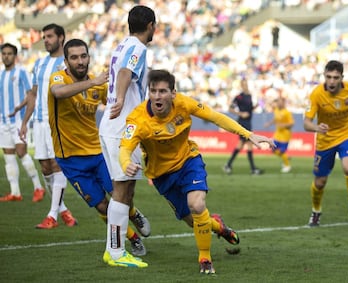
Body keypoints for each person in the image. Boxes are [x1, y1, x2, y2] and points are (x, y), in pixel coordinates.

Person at [119, 69, 275, 274]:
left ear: (173, 93)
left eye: (163, 91)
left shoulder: (184, 103)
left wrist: (248, 134)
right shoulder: (137, 119)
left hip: (188, 162)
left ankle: (205, 258)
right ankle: (219, 227)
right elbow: (125, 148)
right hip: (161, 176)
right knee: (193, 221)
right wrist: (125, 163)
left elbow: (216, 117)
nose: (157, 96)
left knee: (197, 204)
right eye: (153, 91)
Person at [47, 38, 148, 260]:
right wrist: (93, 83)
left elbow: (114, 98)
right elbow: (59, 93)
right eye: (74, 57)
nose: (80, 61)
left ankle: (133, 213)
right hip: (70, 159)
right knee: (102, 205)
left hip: (97, 153)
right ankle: (132, 238)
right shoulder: (59, 78)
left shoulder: (98, 84)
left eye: (84, 56)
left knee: (120, 194)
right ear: (66, 61)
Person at [99, 5, 153, 268]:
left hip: (114, 127)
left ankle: (114, 248)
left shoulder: (122, 45)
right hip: (122, 128)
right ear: (151, 25)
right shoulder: (139, 49)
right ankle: (116, 252)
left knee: (126, 189)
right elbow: (124, 73)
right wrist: (121, 99)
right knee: (122, 190)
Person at [19, 23, 77, 229]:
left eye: (50, 36)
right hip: (40, 122)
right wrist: (25, 122)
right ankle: (63, 210)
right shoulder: (40, 63)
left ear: (61, 38)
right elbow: (33, 95)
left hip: (59, 123)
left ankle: (52, 215)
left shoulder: (68, 63)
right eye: (44, 37)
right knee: (45, 168)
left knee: (57, 165)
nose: (46, 40)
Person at [304, 60, 348, 227]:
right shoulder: (316, 94)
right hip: (325, 139)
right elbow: (306, 123)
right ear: (324, 76)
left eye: (336, 77)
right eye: (329, 77)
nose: (332, 81)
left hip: (346, 134)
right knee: (320, 182)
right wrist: (316, 127)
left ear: (342, 77)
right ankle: (316, 211)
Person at [0, 43, 45, 202]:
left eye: (9, 53)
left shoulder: (21, 73)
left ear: (15, 56)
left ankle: (38, 187)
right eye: (4, 53)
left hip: (18, 120)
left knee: (21, 152)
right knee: (8, 156)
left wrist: (21, 111)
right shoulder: (0, 75)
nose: (6, 56)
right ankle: (15, 192)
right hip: (3, 121)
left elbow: (31, 95)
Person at [223, 78, 263, 175]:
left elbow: (249, 110)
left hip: (248, 122)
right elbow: (230, 109)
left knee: (244, 144)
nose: (245, 86)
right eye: (244, 84)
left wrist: (255, 107)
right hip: (243, 122)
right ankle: (252, 169)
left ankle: (229, 165)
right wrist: (240, 114)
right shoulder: (239, 97)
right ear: (241, 85)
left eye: (246, 84)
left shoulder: (249, 96)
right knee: (245, 144)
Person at [264, 96, 294, 173]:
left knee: (281, 152)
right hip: (277, 134)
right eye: (278, 102)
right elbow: (275, 119)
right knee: (273, 149)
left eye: (280, 102)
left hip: (285, 135)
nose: (279, 103)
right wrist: (269, 123)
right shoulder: (276, 110)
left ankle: (287, 166)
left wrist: (283, 125)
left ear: (283, 103)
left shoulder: (287, 112)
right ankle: (286, 158)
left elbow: (291, 123)